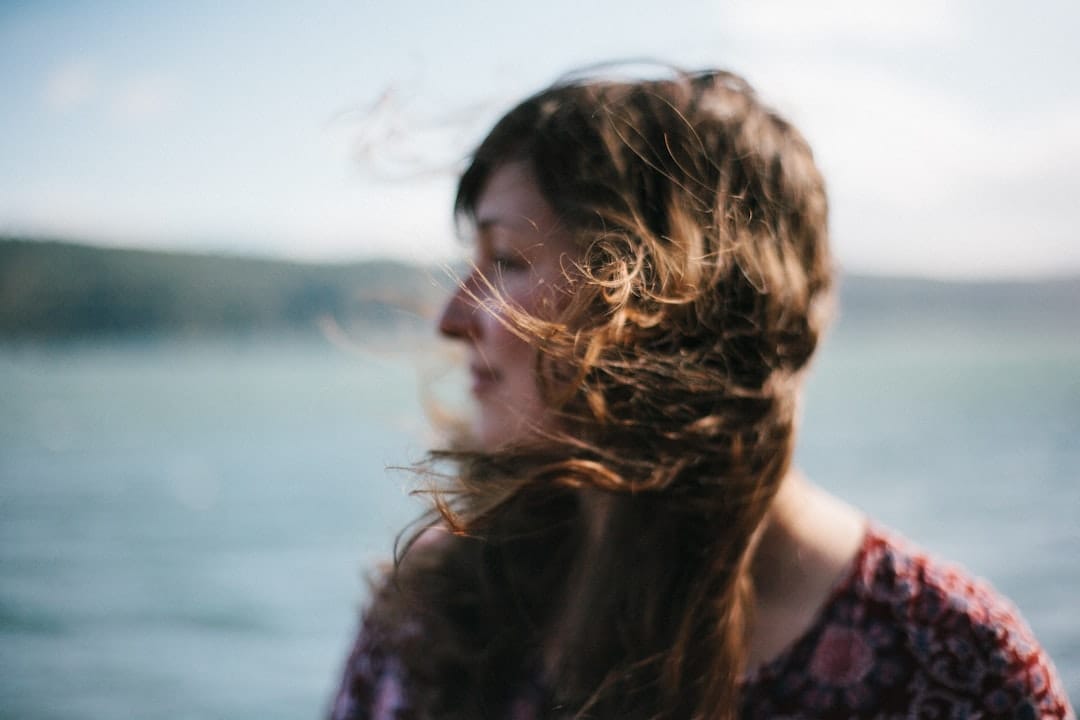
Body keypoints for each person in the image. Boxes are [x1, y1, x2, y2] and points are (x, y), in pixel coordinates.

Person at [330, 68, 1074, 719]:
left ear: (673, 303)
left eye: (508, 260)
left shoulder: (949, 664)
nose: (451, 317)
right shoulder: (434, 608)